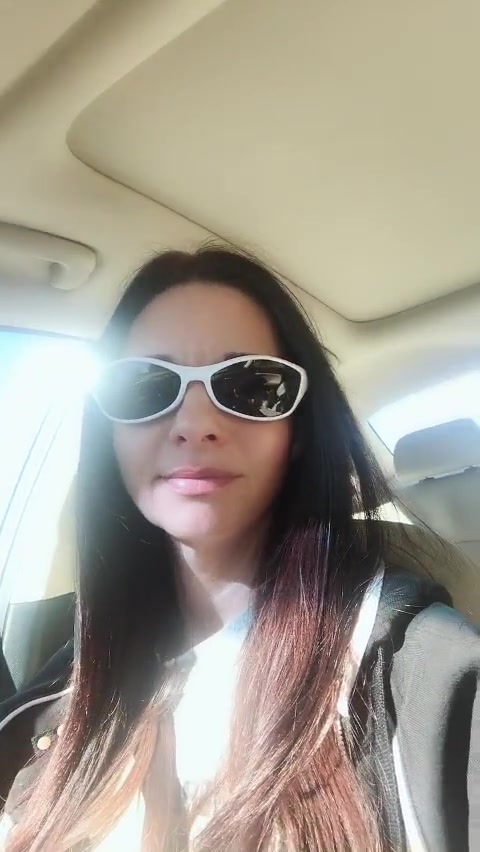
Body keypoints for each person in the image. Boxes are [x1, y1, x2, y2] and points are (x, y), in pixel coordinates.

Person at [0, 246, 478, 852]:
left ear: (296, 434)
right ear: (110, 434)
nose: (194, 423)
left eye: (253, 387)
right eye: (146, 385)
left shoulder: (430, 675)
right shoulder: (73, 676)